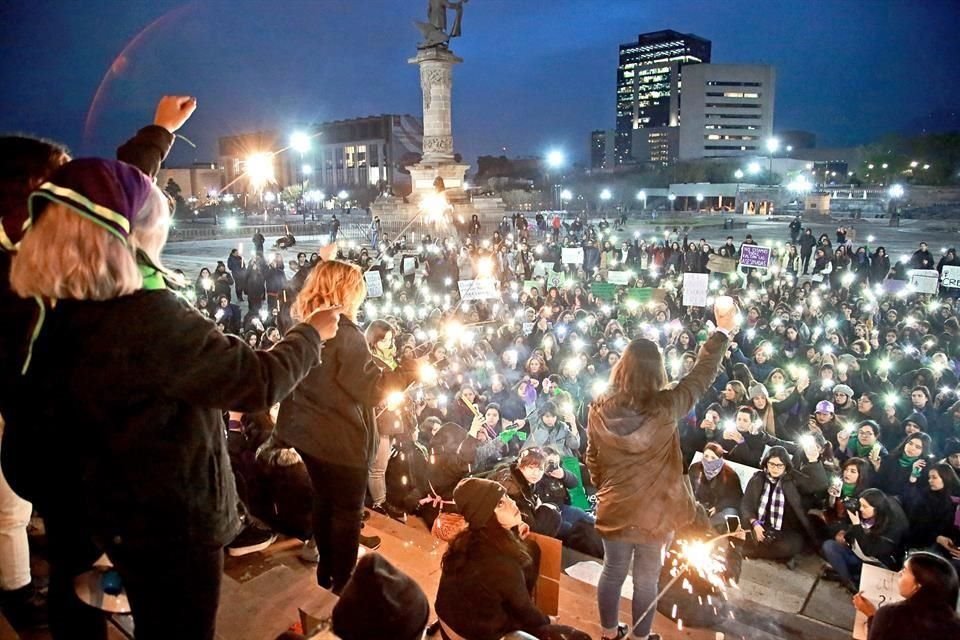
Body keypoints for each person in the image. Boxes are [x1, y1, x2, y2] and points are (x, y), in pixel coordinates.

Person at [6, 152, 341, 639]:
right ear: (121, 237)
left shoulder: (47, 311)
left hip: (101, 518)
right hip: (171, 526)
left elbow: (23, 451)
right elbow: (255, 381)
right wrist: (311, 334)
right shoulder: (148, 318)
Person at [586, 299, 737, 640]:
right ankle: (640, 637)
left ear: (622, 367)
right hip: (657, 512)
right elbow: (700, 376)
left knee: (611, 572)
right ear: (657, 371)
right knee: (647, 579)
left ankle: (609, 635)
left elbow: (591, 458)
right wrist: (722, 331)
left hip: (616, 505)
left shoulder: (598, 408)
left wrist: (606, 486)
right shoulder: (666, 407)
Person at [276, 261, 417, 594]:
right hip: (340, 441)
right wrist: (411, 370)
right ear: (345, 292)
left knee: (325, 501)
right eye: (357, 291)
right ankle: (343, 582)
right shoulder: (347, 334)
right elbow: (372, 389)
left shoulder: (305, 324)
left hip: (307, 435)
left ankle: (326, 571)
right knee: (347, 513)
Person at [434, 477, 588, 640]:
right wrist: (548, 620)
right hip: (473, 635)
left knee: (531, 548)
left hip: (448, 623)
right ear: (486, 516)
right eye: (500, 504)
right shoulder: (502, 564)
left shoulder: (467, 539)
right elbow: (528, 614)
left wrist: (513, 531)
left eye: (507, 496)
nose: (512, 503)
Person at [740, 445, 827, 569]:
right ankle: (777, 555)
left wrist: (813, 460)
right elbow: (746, 504)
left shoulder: (793, 479)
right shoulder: (758, 479)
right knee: (745, 537)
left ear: (786, 465)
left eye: (779, 465)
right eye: (772, 464)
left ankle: (758, 552)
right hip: (761, 524)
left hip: (786, 529)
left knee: (792, 545)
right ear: (766, 463)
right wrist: (755, 524)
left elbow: (819, 484)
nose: (775, 468)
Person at [852, 551, 960, 639]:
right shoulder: (954, 627)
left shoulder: (891, 616)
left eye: (904, 570)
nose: (899, 574)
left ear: (918, 585)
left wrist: (872, 616)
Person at [820, 488, 909, 593]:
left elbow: (870, 550)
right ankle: (849, 581)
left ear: (877, 509)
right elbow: (846, 526)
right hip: (855, 552)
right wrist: (844, 533)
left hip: (874, 563)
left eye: (865, 507)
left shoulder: (891, 528)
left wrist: (857, 525)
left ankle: (856, 582)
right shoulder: (862, 511)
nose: (861, 509)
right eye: (860, 505)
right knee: (829, 546)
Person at [688, 442, 744, 532]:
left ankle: (707, 529)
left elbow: (736, 498)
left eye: (713, 458)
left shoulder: (730, 475)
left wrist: (718, 507)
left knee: (730, 513)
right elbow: (688, 487)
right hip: (699, 506)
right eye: (706, 456)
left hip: (719, 509)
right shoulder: (695, 468)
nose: (709, 460)